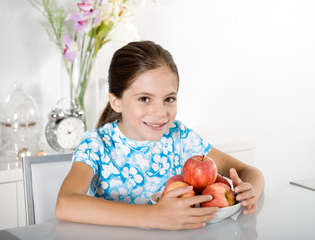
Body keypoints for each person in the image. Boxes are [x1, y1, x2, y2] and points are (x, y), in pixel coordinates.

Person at [55, 40, 264, 230]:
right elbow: (65, 204)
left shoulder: (180, 137)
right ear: (116, 101)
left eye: (169, 99)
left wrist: (250, 190)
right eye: (145, 99)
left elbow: (249, 171)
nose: (160, 112)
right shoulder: (96, 145)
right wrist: (153, 216)